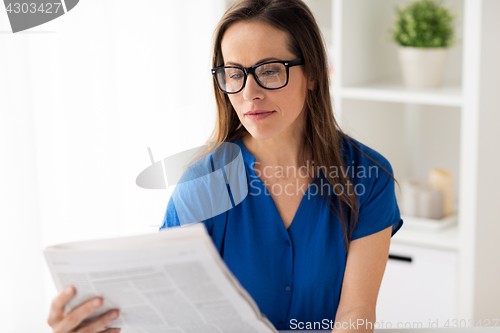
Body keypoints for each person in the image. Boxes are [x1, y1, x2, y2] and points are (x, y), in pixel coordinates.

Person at [47, 0, 403, 332]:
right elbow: (171, 314)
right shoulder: (204, 183)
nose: (249, 93)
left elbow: (356, 312)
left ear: (313, 74)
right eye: (234, 74)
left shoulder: (367, 176)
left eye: (269, 70)